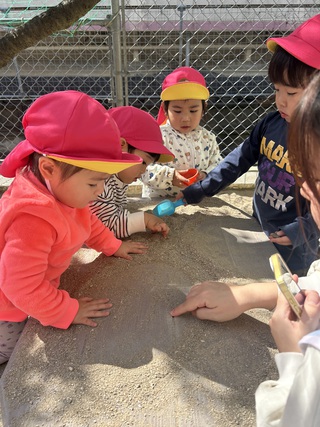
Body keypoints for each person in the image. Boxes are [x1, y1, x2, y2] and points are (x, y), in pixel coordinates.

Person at [170, 14, 320, 321]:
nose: (280, 100)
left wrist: (297, 232)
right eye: (277, 89)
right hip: (262, 219)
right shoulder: (272, 123)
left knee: (303, 288)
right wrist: (200, 189)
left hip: (298, 239)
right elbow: (239, 158)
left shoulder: (314, 143)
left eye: (291, 93)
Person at [0, 90, 149, 364]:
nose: (100, 190)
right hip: (6, 307)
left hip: (30, 287)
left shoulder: (67, 192)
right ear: (48, 169)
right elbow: (20, 287)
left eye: (104, 181)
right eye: (93, 183)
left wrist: (113, 246)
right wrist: (66, 310)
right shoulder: (32, 218)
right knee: (9, 349)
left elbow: (88, 223)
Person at [255, 72, 320, 427]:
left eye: (315, 178)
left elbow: (286, 419)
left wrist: (294, 354)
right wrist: (247, 294)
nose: (305, 188)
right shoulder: (268, 124)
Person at [90, 106, 174, 238]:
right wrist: (145, 220)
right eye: (144, 162)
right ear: (121, 145)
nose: (143, 171)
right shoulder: (98, 179)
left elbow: (115, 210)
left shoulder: (118, 176)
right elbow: (105, 226)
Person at [141, 66, 223, 198]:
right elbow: (142, 170)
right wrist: (170, 176)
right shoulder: (158, 137)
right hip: (159, 200)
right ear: (165, 109)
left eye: (193, 110)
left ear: (203, 109)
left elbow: (218, 164)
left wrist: (206, 174)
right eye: (177, 111)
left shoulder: (208, 138)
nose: (185, 118)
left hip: (195, 200)